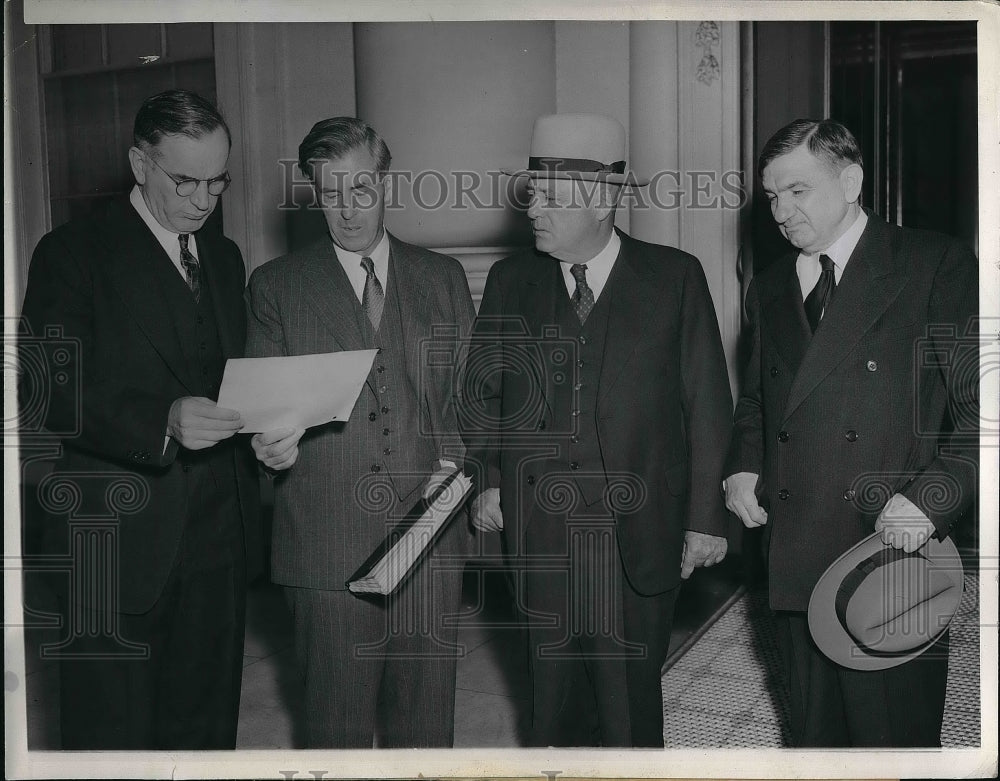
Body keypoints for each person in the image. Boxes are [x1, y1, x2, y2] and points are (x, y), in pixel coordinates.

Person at [462, 113, 733, 747]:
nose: (534, 212)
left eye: (552, 199)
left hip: (638, 531)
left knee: (629, 710)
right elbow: (484, 393)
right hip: (541, 529)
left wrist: (703, 519)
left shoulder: (675, 278)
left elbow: (708, 404)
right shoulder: (512, 281)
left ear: (606, 198)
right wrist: (490, 480)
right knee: (550, 705)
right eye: (533, 194)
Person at [18, 89, 263, 749]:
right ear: (138, 163)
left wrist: (272, 421)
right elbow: (46, 392)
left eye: (218, 181)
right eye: (185, 180)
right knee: (113, 740)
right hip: (116, 542)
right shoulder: (72, 253)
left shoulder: (224, 256)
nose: (204, 200)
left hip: (218, 538)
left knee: (208, 734)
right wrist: (162, 419)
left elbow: (229, 377)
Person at [724, 118, 978, 747]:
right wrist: (741, 466)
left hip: (890, 544)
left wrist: (932, 499)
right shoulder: (770, 286)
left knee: (890, 733)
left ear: (852, 180)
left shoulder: (931, 263)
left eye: (798, 191)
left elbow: (984, 409)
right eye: (773, 196)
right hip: (794, 543)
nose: (781, 212)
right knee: (815, 735)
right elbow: (756, 400)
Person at [245, 116, 476, 748]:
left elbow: (468, 406)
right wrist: (270, 445)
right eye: (330, 192)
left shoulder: (443, 278)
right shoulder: (277, 288)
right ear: (314, 193)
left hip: (429, 543)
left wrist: (457, 466)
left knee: (426, 731)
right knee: (336, 732)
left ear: (385, 183)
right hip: (326, 545)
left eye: (362, 190)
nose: (347, 210)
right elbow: (264, 416)